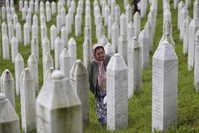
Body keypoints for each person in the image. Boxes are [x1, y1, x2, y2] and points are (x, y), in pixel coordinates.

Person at [88, 44, 111, 125]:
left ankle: (111, 124)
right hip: (99, 91)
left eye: (102, 52)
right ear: (94, 54)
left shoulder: (109, 59)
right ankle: (103, 125)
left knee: (109, 108)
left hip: (110, 89)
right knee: (100, 109)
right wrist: (94, 91)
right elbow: (90, 79)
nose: (101, 55)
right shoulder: (92, 64)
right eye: (98, 54)